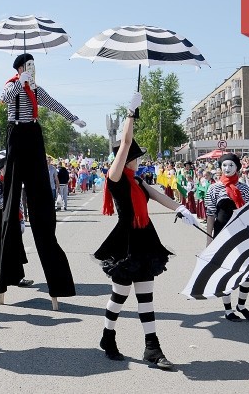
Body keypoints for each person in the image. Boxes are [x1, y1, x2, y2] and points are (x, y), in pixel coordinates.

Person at [94, 92, 198, 370]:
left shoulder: (138, 181)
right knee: (119, 296)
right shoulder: (115, 178)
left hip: (145, 238)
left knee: (146, 297)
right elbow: (126, 141)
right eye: (135, 157)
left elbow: (159, 196)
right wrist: (130, 113)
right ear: (126, 159)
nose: (138, 160)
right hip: (125, 241)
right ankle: (108, 335)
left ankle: (152, 348)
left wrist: (181, 210)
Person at [0, 53, 84, 298]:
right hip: (16, 135)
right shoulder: (11, 85)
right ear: (19, 68)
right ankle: (10, 270)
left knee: (40, 197)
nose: (32, 70)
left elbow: (53, 103)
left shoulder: (36, 89)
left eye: (34, 66)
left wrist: (73, 118)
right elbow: (4, 100)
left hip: (33, 136)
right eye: (28, 66)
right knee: (12, 194)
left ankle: (56, 277)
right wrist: (19, 82)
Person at [205, 153, 249, 321]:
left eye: (231, 165)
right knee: (226, 272)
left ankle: (242, 305)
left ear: (237, 168)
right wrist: (209, 239)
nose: (227, 168)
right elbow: (210, 215)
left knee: (248, 271)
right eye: (224, 165)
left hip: (241, 234)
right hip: (221, 234)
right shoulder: (213, 188)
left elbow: (248, 212)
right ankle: (228, 310)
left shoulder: (244, 188)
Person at [0, 157, 32, 287]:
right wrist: (7, 200)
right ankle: (5, 278)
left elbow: (19, 204)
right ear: (1, 170)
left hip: (14, 223)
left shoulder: (13, 183)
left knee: (16, 251)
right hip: (2, 225)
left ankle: (19, 278)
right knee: (4, 251)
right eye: (7, 167)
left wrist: (22, 219)